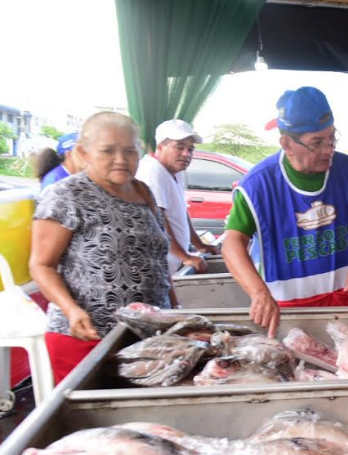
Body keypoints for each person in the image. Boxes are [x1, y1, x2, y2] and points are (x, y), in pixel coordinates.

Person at [221, 87, 348, 337]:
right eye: (317, 143)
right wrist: (258, 293)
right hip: (289, 312)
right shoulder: (258, 185)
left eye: (332, 138)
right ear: (287, 143)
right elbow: (232, 243)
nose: (329, 149)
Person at [29, 112, 174, 383]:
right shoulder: (66, 194)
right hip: (87, 337)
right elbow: (41, 264)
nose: (121, 159)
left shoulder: (143, 191)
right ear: (84, 152)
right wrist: (71, 309)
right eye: (108, 151)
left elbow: (157, 261)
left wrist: (174, 310)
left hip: (147, 337)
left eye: (130, 151)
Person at [135, 119, 218, 275]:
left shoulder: (175, 172)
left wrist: (199, 244)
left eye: (190, 149)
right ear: (160, 147)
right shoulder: (152, 170)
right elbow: (157, 220)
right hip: (157, 268)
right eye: (179, 147)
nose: (186, 154)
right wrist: (185, 256)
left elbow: (182, 213)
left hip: (172, 266)